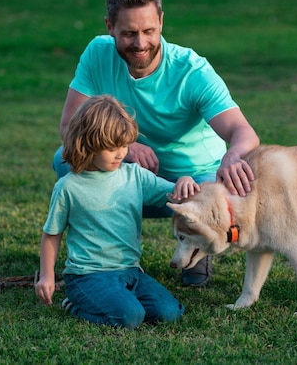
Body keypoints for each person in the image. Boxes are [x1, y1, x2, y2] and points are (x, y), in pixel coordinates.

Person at [52, 0, 260, 287]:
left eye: (149, 31)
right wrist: (129, 146)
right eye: (129, 34)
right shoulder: (97, 53)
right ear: (109, 26)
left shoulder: (192, 70)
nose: (140, 43)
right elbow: (69, 127)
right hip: (131, 169)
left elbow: (242, 131)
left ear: (161, 21)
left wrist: (232, 155)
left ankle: (196, 246)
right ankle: (100, 253)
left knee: (209, 191)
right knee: (65, 159)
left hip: (194, 181)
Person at [36, 95, 199, 329]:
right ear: (87, 143)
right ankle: (76, 304)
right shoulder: (68, 186)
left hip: (130, 271)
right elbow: (52, 234)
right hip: (87, 276)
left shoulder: (134, 176)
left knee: (169, 313)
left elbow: (176, 194)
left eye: (125, 145)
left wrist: (184, 180)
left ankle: (119, 300)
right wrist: (47, 276)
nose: (121, 153)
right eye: (112, 147)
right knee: (129, 316)